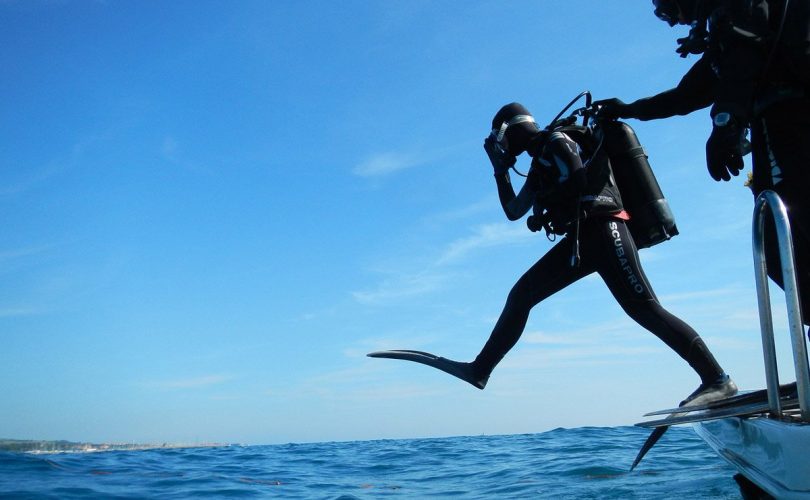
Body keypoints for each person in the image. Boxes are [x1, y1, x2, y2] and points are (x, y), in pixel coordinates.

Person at [373, 102, 737, 408]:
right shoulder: (539, 161)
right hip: (584, 239)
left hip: (605, 229)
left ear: (506, 132)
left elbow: (576, 175)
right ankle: (480, 370)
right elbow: (515, 210)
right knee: (521, 296)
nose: (499, 147)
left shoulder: (556, 140)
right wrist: (500, 173)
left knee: (644, 308)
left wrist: (559, 199)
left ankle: (717, 379)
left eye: (498, 141)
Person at [596, 0, 810, 328]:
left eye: (667, 7)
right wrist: (630, 109)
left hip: (790, 123)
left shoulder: (737, 16)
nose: (670, 21)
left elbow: (742, 57)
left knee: (786, 238)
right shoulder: (732, 28)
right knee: (778, 242)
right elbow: (688, 94)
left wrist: (726, 123)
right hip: (783, 123)